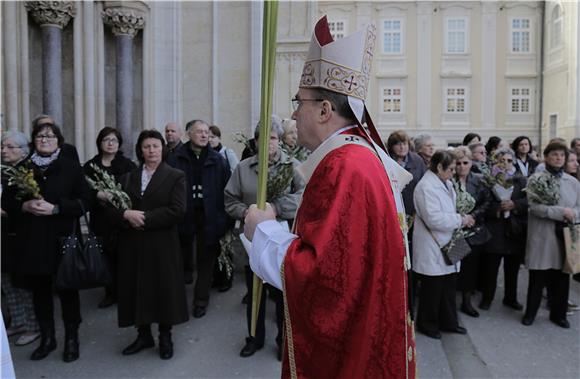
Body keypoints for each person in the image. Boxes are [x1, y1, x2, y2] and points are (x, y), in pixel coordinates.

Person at [244, 16, 416, 377]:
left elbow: (324, 279)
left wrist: (264, 230)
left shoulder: (345, 165)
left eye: (298, 102)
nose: (293, 114)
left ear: (324, 110)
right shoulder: (359, 157)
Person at [1, 122, 91, 362]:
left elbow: (85, 201)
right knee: (41, 292)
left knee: (67, 290)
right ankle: (48, 338)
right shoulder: (23, 168)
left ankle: (72, 338)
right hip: (33, 241)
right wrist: (24, 205)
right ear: (33, 141)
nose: (44, 139)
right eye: (40, 136)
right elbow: (8, 202)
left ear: (58, 141)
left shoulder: (70, 167)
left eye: (50, 136)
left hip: (63, 239)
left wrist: (57, 208)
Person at [224, 115, 305, 360]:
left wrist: (277, 208)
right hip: (253, 239)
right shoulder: (243, 168)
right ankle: (254, 337)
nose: (268, 143)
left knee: (281, 292)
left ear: (279, 141)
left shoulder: (292, 166)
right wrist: (249, 212)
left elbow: (304, 195)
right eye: (263, 138)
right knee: (255, 289)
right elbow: (229, 200)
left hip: (282, 236)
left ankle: (283, 340)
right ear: (256, 141)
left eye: (272, 138)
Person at [106, 130, 188, 359]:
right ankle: (143, 335)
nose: (151, 151)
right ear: (140, 151)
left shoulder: (175, 176)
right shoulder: (128, 177)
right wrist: (125, 215)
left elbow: (178, 210)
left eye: (155, 146)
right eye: (146, 147)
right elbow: (112, 208)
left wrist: (143, 217)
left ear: (162, 148)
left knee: (162, 289)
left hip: (161, 244)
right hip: (132, 244)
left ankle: (165, 336)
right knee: (136, 288)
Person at [170, 120, 231, 318]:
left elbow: (226, 191)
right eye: (199, 132)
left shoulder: (217, 160)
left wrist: (224, 220)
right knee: (179, 259)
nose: (204, 135)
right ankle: (176, 300)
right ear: (189, 134)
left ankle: (201, 300)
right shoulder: (175, 158)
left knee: (206, 260)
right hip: (183, 216)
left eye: (206, 132)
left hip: (209, 216)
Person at [413, 150, 474, 339]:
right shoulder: (425, 187)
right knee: (433, 289)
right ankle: (427, 324)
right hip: (433, 245)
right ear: (439, 167)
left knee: (449, 286)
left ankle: (449, 322)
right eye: (450, 169)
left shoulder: (446, 182)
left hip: (450, 241)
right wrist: (461, 220)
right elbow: (434, 219)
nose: (454, 173)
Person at [523, 141, 580, 328]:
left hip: (565, 234)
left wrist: (573, 214)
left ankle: (559, 314)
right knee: (538, 277)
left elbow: (578, 207)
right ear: (546, 157)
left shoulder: (572, 182)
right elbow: (534, 207)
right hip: (543, 235)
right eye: (554, 155)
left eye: (562, 155)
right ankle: (530, 313)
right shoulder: (536, 179)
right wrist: (560, 211)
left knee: (562, 278)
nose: (558, 158)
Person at [83, 127, 136, 308]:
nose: (111, 143)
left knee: (124, 256)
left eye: (114, 140)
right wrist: (98, 195)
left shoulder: (127, 165)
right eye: (106, 140)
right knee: (105, 255)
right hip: (101, 218)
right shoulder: (91, 166)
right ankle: (110, 292)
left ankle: (127, 292)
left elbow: (135, 189)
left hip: (123, 218)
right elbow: (82, 191)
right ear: (100, 143)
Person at [1, 131, 40, 346]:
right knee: (6, 281)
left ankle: (32, 326)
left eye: (8, 147)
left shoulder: (28, 170)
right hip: (4, 235)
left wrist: (8, 210)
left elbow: (33, 203)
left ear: (22, 150)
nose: (3, 150)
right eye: (2, 147)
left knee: (23, 282)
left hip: (20, 235)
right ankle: (17, 321)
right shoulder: (5, 170)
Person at [479, 147, 528, 311]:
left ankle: (510, 298)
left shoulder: (521, 180)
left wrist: (514, 204)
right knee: (491, 268)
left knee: (512, 269)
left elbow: (528, 201)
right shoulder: (489, 181)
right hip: (496, 229)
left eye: (509, 160)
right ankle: (487, 298)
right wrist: (497, 207)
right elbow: (482, 205)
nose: (506, 164)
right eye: (502, 160)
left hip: (514, 230)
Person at [451, 146, 491, 318]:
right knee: (453, 266)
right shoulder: (448, 181)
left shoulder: (479, 180)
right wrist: (458, 218)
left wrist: (473, 216)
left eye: (465, 163)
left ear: (471, 163)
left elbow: (486, 202)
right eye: (458, 163)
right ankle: (450, 302)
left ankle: (466, 302)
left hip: (473, 232)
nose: (461, 166)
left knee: (470, 269)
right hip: (454, 232)